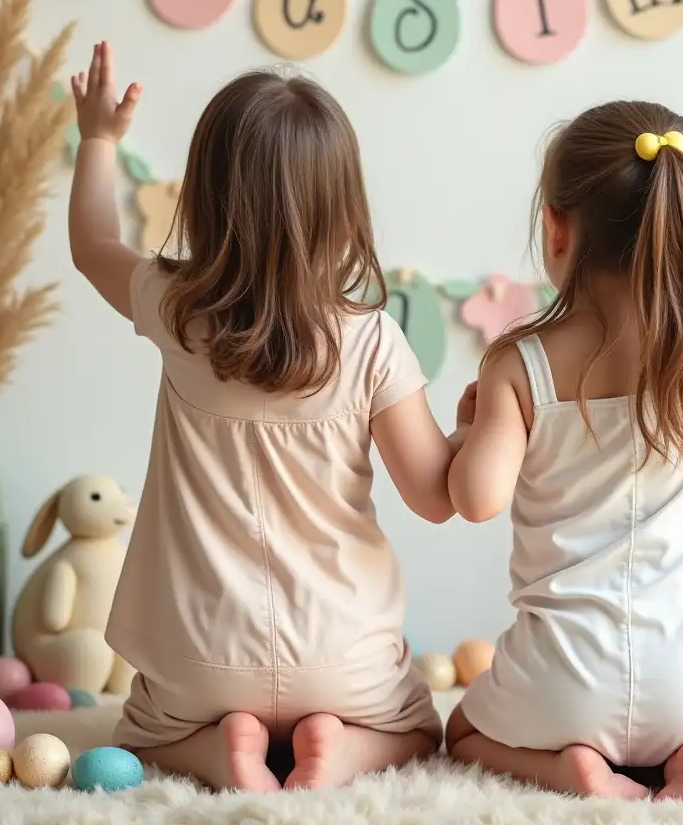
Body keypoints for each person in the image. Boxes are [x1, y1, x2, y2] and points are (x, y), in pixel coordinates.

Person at [68, 45, 456, 791]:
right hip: (343, 659)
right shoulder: (373, 340)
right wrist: (472, 431)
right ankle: (337, 748)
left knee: (142, 734)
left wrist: (98, 138)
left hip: (200, 662)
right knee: (417, 728)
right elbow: (435, 496)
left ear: (207, 204)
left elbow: (93, 246)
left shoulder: (174, 308)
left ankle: (218, 749)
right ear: (344, 213)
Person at [445, 4, 683, 802]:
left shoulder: (518, 363)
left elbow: (474, 499)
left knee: (460, 732)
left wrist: (469, 429)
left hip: (561, 684)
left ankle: (571, 771)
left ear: (557, 229)